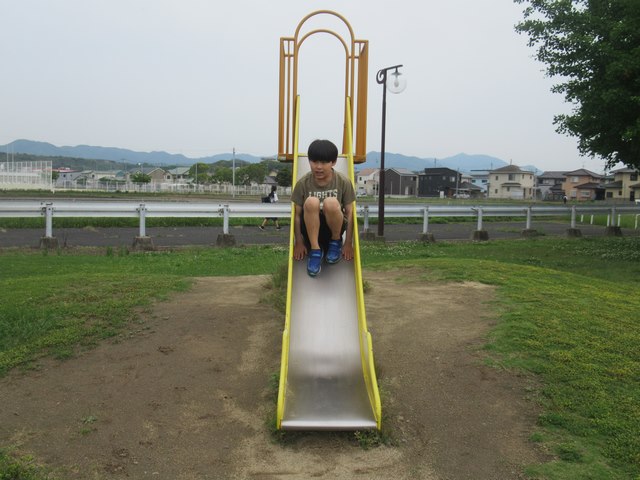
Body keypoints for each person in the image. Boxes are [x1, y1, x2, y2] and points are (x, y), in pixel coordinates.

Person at [291, 139, 355, 277]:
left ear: (333, 162)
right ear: (309, 161)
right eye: (314, 161)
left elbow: (350, 213)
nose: (318, 167)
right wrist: (299, 242)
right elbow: (296, 215)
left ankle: (335, 242)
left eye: (324, 162)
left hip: (334, 229)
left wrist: (348, 243)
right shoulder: (303, 183)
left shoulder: (343, 182)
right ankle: (315, 251)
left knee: (330, 202)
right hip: (310, 231)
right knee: (311, 202)